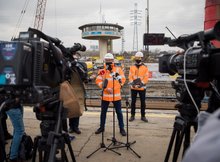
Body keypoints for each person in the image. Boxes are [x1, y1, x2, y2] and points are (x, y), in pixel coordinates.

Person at [95, 53, 127, 136]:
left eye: (110, 60)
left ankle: (122, 128)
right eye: (107, 60)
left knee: (119, 113)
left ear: (113, 60)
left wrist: (114, 89)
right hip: (105, 96)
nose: (108, 61)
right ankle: (102, 127)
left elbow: (122, 80)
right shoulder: (102, 71)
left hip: (116, 96)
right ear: (104, 61)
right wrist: (106, 88)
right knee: (103, 113)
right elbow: (98, 81)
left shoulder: (118, 70)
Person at [128, 51, 149, 122]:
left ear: (141, 58)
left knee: (143, 102)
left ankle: (143, 116)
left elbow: (146, 77)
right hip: (133, 88)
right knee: (133, 102)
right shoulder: (132, 67)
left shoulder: (145, 67)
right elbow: (130, 76)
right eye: (137, 57)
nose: (138, 59)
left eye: (139, 58)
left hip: (142, 88)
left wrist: (141, 84)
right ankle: (132, 115)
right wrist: (133, 83)